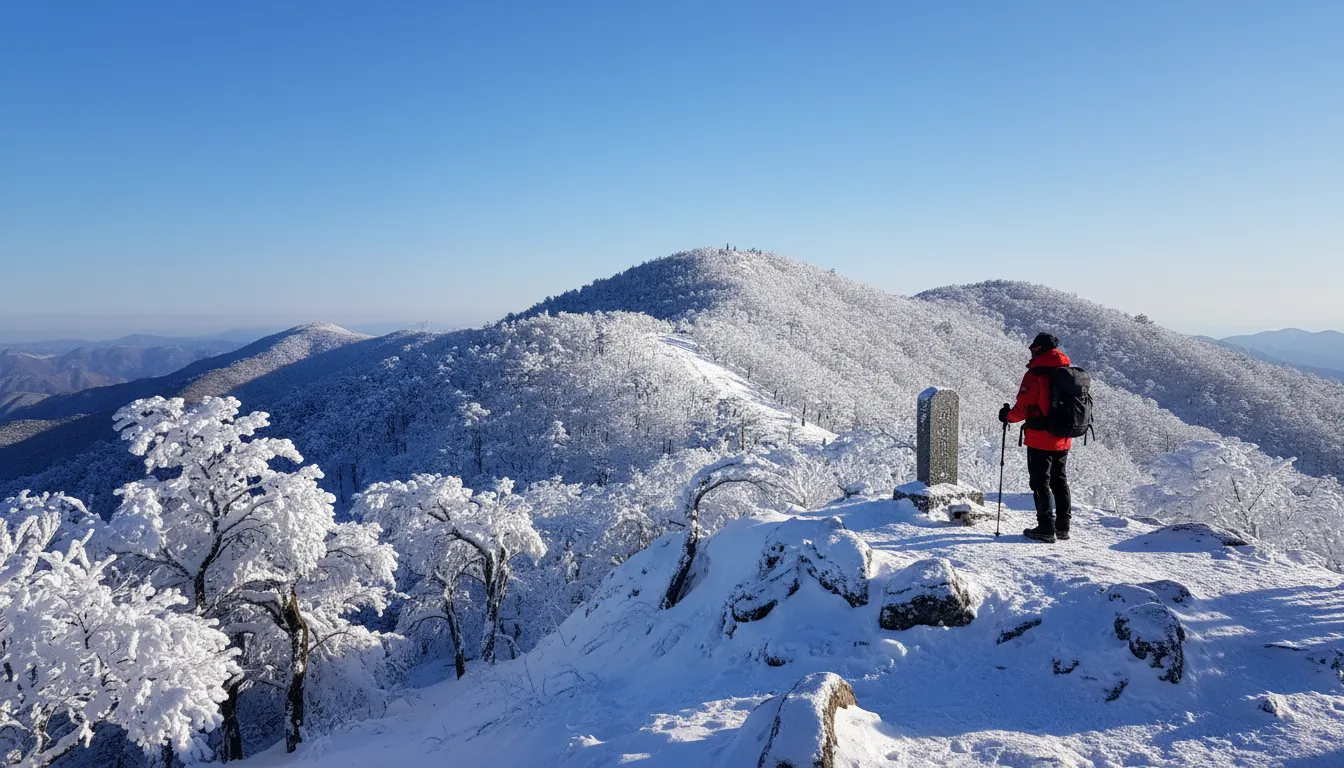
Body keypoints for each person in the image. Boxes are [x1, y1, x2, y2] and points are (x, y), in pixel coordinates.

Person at [999, 333, 1073, 543]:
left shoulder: (1036, 374)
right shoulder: (1066, 372)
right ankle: (1063, 527)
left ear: (1037, 349)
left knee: (1040, 482)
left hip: (1041, 436)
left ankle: (1045, 528)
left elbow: (1023, 407)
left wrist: (1007, 416)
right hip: (1064, 436)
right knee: (1060, 480)